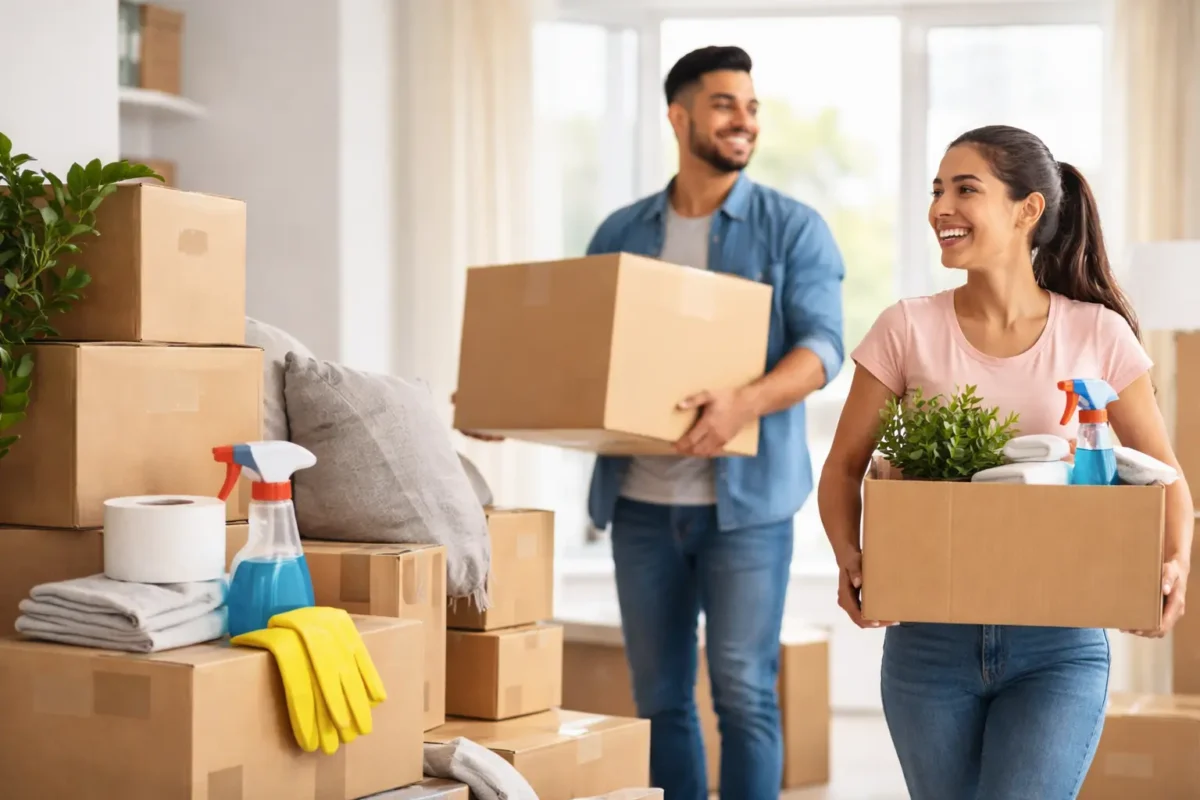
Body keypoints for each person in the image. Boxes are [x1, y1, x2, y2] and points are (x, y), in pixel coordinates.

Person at [818, 124, 1194, 799]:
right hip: (928, 642)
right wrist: (851, 557)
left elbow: (1165, 474)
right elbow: (845, 467)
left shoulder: (1096, 332)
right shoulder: (907, 327)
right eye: (937, 190)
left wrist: (1173, 567)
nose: (941, 208)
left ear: (1028, 210)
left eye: (966, 190)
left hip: (1059, 642)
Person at [583, 46, 845, 800]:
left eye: (752, 107)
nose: (745, 120)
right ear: (679, 116)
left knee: (744, 694)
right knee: (660, 699)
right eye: (726, 104)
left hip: (747, 509)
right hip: (640, 504)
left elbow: (824, 349)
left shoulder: (792, 228)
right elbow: (584, 350)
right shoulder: (622, 231)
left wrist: (744, 402)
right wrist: (516, 404)